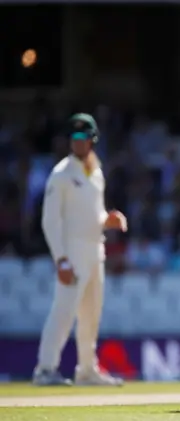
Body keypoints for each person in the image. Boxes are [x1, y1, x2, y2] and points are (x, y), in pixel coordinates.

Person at [32, 113, 128, 386]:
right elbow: (50, 221)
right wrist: (60, 259)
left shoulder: (96, 172)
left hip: (95, 251)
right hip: (71, 253)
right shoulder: (61, 174)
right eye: (74, 138)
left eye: (83, 137)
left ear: (93, 140)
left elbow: (93, 212)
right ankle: (45, 369)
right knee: (63, 311)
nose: (78, 143)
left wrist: (107, 220)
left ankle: (87, 370)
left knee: (91, 313)